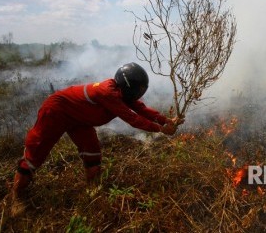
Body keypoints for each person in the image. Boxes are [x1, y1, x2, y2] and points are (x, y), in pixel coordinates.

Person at [10, 62, 183, 216]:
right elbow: (133, 119)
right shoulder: (108, 93)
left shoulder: (122, 93)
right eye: (138, 90)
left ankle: (92, 191)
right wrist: (161, 129)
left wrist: (167, 120)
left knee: (92, 151)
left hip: (79, 119)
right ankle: (16, 198)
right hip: (56, 112)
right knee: (36, 154)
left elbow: (142, 109)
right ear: (129, 87)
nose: (139, 95)